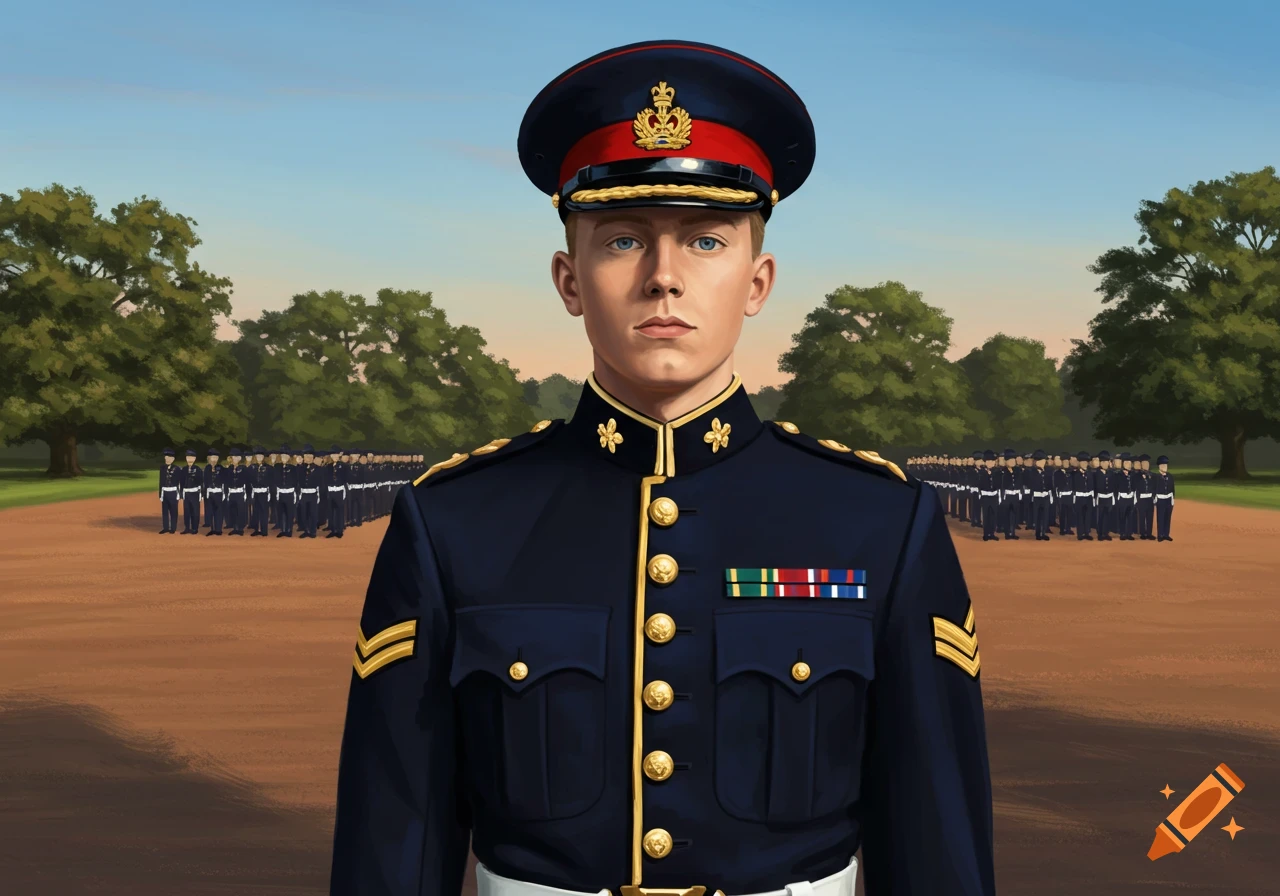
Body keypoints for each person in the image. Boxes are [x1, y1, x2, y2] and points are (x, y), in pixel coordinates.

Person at [329, 40, 995, 896]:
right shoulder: (451, 524)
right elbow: (394, 845)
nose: (664, 279)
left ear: (758, 282)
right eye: (622, 241)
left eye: (707, 240)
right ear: (570, 280)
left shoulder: (880, 524)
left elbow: (936, 848)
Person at [297, 445, 322, 538]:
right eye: (306, 456)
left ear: (313, 458)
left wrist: (319, 493)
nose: (308, 458)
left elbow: (320, 481)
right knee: (304, 512)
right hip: (303, 493)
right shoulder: (300, 468)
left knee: (313, 513)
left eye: (310, 456)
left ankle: (313, 531)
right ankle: (306, 530)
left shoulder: (318, 468)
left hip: (313, 493)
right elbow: (298, 479)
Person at [1028, 449, 1054, 540]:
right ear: (1035, 462)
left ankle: (1043, 532)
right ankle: (1038, 533)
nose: (1041, 463)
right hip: (1037, 496)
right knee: (1037, 515)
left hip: (1046, 496)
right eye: (1039, 461)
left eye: (1043, 461)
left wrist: (1050, 494)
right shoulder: (1032, 472)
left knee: (1045, 515)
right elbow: (1031, 484)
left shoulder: (1048, 471)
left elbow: (1050, 484)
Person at [225, 448, 249, 536]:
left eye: (237, 457)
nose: (235, 458)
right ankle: (234, 527)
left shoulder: (243, 468)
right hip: (231, 492)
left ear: (239, 458)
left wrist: (246, 492)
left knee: (241, 510)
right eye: (233, 457)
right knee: (233, 510)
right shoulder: (228, 469)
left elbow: (246, 481)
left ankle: (240, 528)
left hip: (240, 492)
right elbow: (226, 481)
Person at [249, 447, 272, 536]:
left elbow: (271, 480)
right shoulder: (252, 467)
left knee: (264, 512)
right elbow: (249, 480)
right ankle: (256, 529)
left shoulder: (269, 468)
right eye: (257, 456)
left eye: (260, 456)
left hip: (264, 492)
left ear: (263, 457)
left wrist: (269, 491)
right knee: (255, 511)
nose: (259, 457)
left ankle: (264, 530)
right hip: (255, 492)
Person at [326, 445, 348, 538]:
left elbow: (346, 478)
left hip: (339, 490)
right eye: (332, 454)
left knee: (339, 511)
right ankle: (333, 530)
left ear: (339, 455)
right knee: (331, 511)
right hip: (331, 491)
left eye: (336, 454)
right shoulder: (328, 466)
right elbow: (326, 479)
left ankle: (339, 530)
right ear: (330, 456)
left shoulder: (343, 466)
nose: (334, 456)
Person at [275, 449, 298, 537]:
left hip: (290, 492)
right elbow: (275, 478)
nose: (284, 458)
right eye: (282, 456)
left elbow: (296, 481)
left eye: (286, 456)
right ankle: (283, 529)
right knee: (281, 512)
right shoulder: (277, 467)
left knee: (289, 512)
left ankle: (289, 530)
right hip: (280, 492)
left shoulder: (293, 468)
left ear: (289, 457)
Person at [978, 449, 1000, 541]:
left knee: (993, 515)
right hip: (985, 496)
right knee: (986, 516)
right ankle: (986, 534)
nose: (991, 463)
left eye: (992, 461)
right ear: (985, 462)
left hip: (994, 496)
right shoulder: (981, 472)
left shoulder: (997, 472)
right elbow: (979, 484)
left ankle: (992, 533)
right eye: (988, 461)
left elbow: (999, 484)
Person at [180, 449, 203, 534]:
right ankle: (187, 528)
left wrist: (201, 494)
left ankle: (194, 528)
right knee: (187, 511)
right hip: (186, 492)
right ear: (186, 458)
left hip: (195, 492)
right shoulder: (184, 469)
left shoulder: (198, 469)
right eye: (188, 457)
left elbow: (201, 482)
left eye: (191, 457)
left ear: (194, 459)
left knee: (195, 511)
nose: (190, 459)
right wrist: (181, 494)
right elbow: (181, 482)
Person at [158, 448, 181, 534]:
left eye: (169, 458)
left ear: (173, 459)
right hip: (165, 491)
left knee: (173, 511)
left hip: (173, 492)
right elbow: (161, 481)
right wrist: (160, 494)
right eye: (166, 457)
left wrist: (179, 494)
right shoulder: (162, 468)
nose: (167, 459)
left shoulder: (177, 469)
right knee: (165, 511)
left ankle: (173, 528)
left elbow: (180, 481)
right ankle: (165, 527)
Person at [1154, 455, 1175, 541]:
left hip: (1168, 500)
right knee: (1161, 517)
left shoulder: (1170, 476)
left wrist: (1173, 499)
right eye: (1163, 465)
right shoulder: (1156, 477)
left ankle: (1166, 534)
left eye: (1166, 465)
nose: (1165, 467)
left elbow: (1173, 488)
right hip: (1160, 499)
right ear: (1159, 466)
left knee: (1167, 517)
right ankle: (1160, 535)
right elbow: (1154, 489)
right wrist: (1155, 500)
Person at [1137, 455, 1156, 540]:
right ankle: (1142, 533)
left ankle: (1149, 533)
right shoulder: (1137, 475)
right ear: (1141, 464)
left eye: (1147, 463)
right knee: (1142, 516)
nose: (1146, 465)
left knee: (1150, 516)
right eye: (1144, 463)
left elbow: (1155, 487)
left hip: (1149, 498)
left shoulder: (1152, 475)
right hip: (1141, 498)